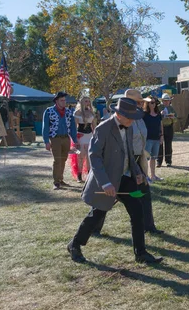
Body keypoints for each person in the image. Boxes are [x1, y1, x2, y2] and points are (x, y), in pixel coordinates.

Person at [67, 97, 162, 264]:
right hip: (107, 179)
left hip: (125, 178)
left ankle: (140, 253)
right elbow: (94, 157)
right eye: (130, 117)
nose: (133, 120)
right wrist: (105, 183)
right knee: (97, 214)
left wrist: (137, 172)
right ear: (120, 114)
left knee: (137, 212)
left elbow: (129, 153)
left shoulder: (129, 126)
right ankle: (74, 244)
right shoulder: (104, 128)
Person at [92, 90, 164, 236]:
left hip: (137, 161)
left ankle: (148, 226)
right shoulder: (118, 120)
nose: (142, 103)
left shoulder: (140, 118)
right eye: (139, 101)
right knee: (107, 198)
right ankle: (94, 227)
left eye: (142, 102)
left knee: (143, 194)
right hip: (121, 163)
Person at [43, 92, 78, 190]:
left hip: (66, 138)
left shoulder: (68, 112)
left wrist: (75, 139)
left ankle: (61, 179)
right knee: (57, 160)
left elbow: (72, 127)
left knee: (63, 159)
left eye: (64, 100)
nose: (64, 102)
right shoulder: (49, 111)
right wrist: (46, 141)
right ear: (56, 101)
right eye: (62, 100)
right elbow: (45, 127)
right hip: (55, 138)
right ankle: (56, 182)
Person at [73, 96, 97, 183]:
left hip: (90, 136)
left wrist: (95, 137)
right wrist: (75, 137)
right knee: (80, 156)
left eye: (88, 101)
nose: (87, 103)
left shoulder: (92, 113)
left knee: (89, 156)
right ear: (81, 102)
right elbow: (74, 127)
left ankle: (89, 175)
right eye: (85, 101)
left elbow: (94, 127)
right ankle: (79, 176)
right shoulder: (77, 113)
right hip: (81, 136)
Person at [142, 97, 163, 181]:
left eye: (154, 102)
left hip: (156, 139)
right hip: (148, 139)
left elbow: (161, 126)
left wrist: (162, 136)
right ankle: (145, 176)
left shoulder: (158, 114)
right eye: (151, 102)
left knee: (154, 157)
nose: (153, 104)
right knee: (146, 158)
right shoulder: (144, 115)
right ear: (147, 104)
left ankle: (153, 176)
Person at [158, 93, 177, 167]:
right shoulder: (158, 107)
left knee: (168, 145)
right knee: (160, 145)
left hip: (169, 127)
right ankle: (159, 161)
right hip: (160, 128)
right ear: (162, 101)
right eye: (164, 100)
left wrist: (172, 118)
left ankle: (168, 161)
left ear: (169, 101)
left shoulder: (171, 108)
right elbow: (155, 116)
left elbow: (176, 118)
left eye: (167, 101)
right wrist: (160, 114)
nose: (166, 102)